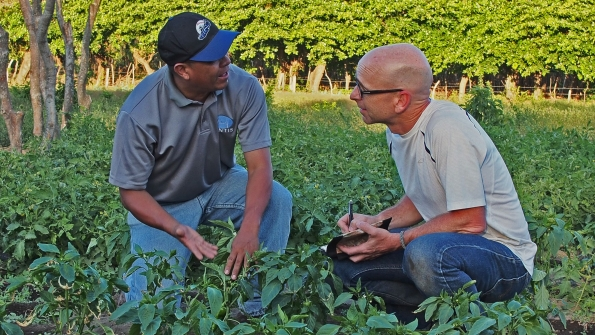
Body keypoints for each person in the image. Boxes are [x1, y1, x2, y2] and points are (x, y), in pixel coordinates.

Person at [332, 43, 537, 328]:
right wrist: (376, 224)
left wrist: (400, 240)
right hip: (448, 247)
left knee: (425, 254)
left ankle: (471, 327)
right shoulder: (397, 131)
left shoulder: (447, 129)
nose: (354, 95)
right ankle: (423, 325)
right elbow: (420, 196)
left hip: (502, 256)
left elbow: (471, 221)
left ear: (400, 100)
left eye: (363, 89)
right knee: (346, 261)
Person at [109, 12, 292, 316]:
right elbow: (130, 193)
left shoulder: (243, 87)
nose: (226, 61)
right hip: (163, 204)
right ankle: (134, 289)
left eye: (224, 50)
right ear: (182, 70)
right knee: (154, 311)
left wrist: (250, 227)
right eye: (212, 58)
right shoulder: (140, 112)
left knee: (277, 198)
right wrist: (178, 229)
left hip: (218, 184)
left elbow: (259, 167)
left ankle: (262, 305)